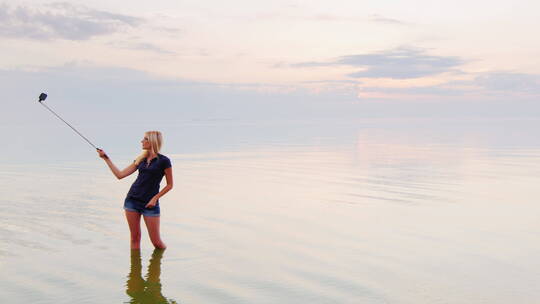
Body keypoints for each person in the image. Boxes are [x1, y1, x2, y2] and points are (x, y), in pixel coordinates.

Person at [97, 131, 173, 249]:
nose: (141, 141)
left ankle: (162, 263)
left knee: (157, 242)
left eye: (145, 139)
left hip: (150, 204)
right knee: (135, 238)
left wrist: (154, 198)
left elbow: (170, 185)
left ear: (152, 141)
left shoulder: (164, 161)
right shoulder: (140, 159)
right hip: (132, 200)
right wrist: (106, 159)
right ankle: (135, 268)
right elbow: (120, 175)